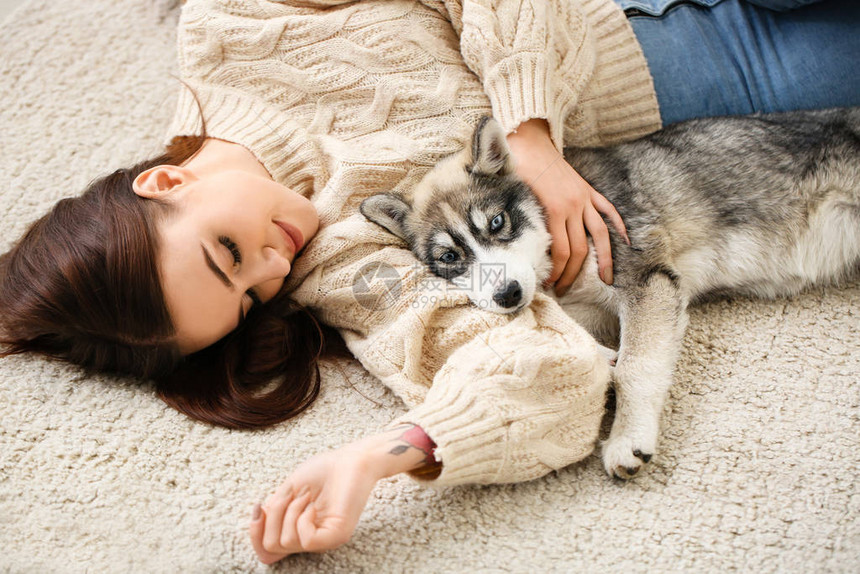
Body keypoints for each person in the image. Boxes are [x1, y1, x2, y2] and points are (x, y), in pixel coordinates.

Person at [0, 0, 857, 565]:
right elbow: (540, 375)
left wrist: (529, 141)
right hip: (723, 94)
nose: (274, 262)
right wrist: (380, 458)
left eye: (227, 251)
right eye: (251, 295)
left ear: (165, 182)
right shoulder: (337, 262)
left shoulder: (234, 29)